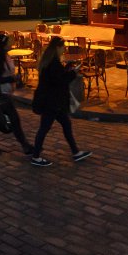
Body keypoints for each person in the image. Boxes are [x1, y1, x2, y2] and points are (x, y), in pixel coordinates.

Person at [29, 37, 91, 167]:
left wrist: (67, 68)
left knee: (66, 125)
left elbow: (57, 77)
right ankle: (35, 156)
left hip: (53, 100)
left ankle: (76, 152)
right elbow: (60, 81)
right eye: (63, 47)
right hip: (52, 102)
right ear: (58, 47)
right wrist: (73, 73)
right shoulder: (53, 63)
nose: (64, 49)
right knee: (44, 128)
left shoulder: (49, 60)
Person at [0, 33, 34, 155]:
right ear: (3, 44)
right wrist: (11, 79)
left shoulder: (4, 55)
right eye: (8, 42)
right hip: (0, 94)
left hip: (5, 92)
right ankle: (25, 146)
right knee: (14, 120)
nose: (11, 44)